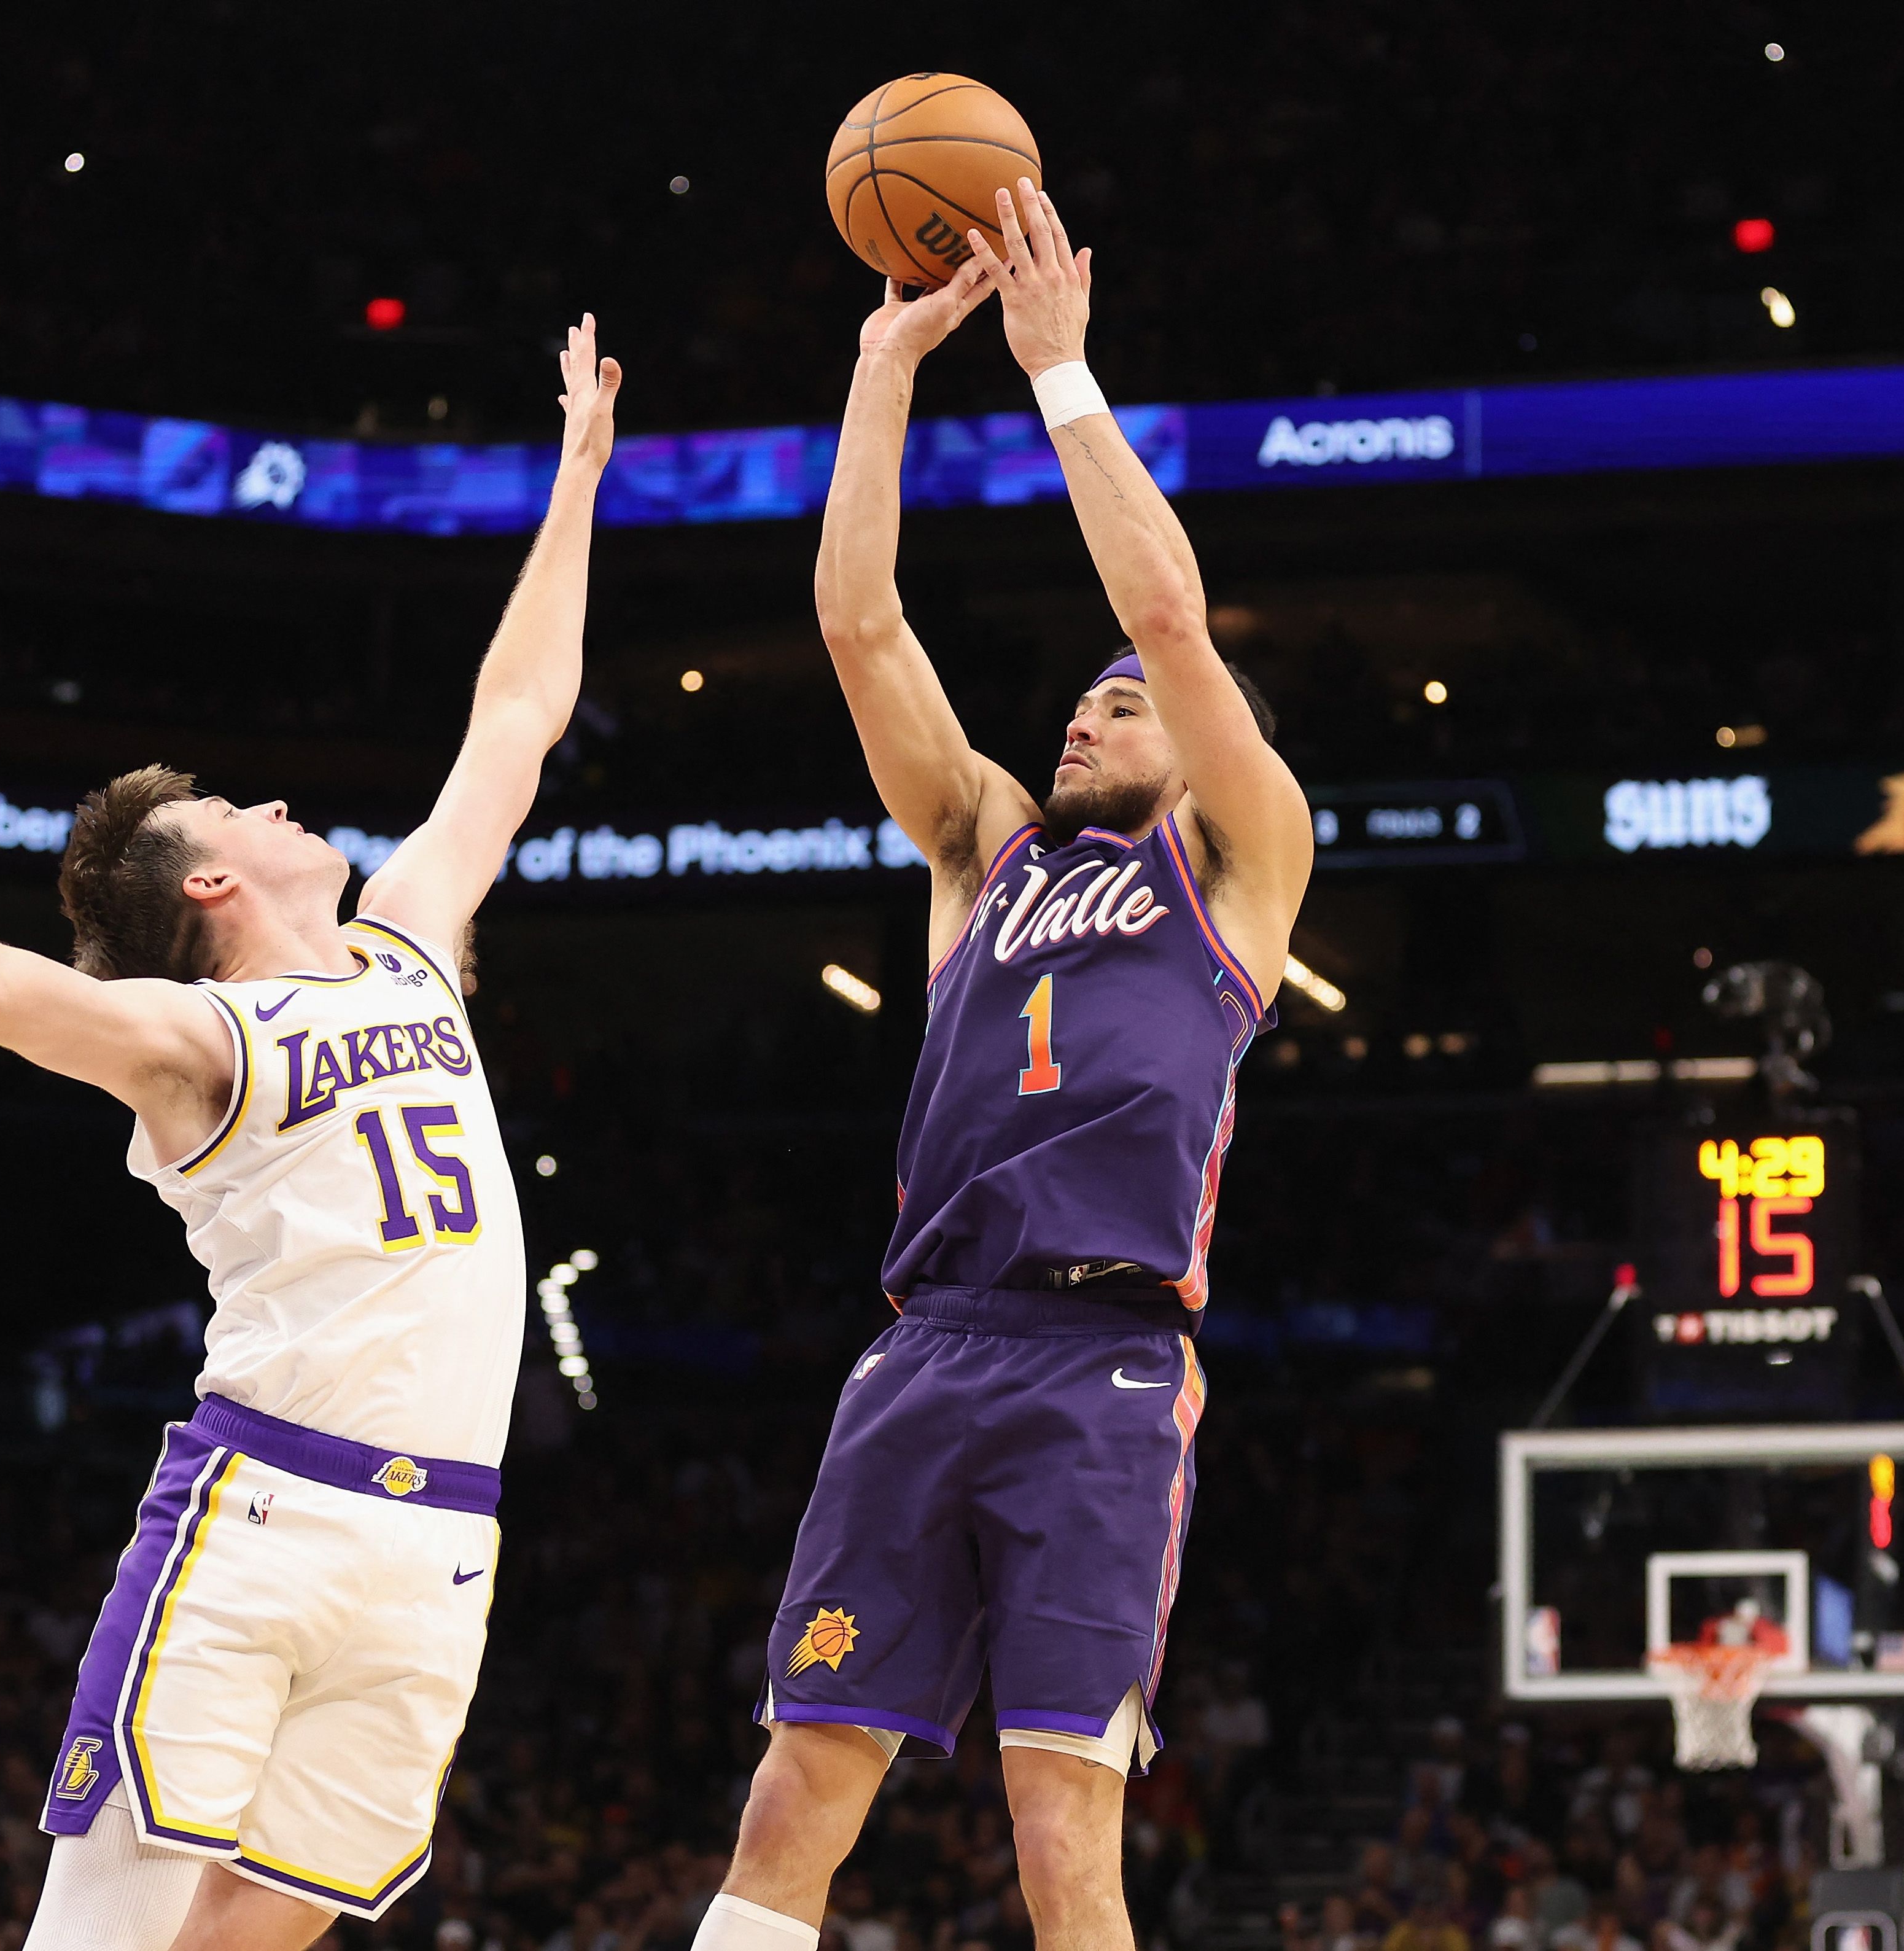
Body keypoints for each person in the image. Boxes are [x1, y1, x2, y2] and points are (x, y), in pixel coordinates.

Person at [0, 317, 623, 1951]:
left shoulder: (409, 938)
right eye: (234, 811)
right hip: (263, 1510)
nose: (274, 806)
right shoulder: (199, 1039)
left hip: (443, 1533)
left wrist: (575, 481)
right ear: (207, 886)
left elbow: (513, 720)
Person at [693, 182, 1311, 1951]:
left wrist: (1057, 377)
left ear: (1188, 755)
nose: (1081, 715)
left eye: (1112, 708)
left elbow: (1174, 629)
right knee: (792, 1791)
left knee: (1060, 1833)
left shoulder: (1236, 864)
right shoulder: (984, 853)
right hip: (922, 1344)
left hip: (1101, 1362)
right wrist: (883, 370)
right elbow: (858, 628)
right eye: (1077, 705)